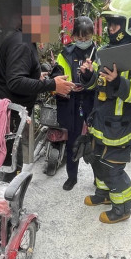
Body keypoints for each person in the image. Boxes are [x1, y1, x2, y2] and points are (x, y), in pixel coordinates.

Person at [77, 0, 131, 224]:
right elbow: (97, 85)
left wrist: (119, 82)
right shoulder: (107, 51)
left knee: (113, 170)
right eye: (109, 23)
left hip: (120, 129)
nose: (111, 28)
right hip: (101, 123)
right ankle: (103, 195)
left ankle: (123, 207)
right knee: (97, 161)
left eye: (116, 23)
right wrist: (89, 75)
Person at [0, 0, 74, 179]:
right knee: (10, 166)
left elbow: (17, 75)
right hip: (9, 116)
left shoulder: (24, 40)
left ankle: (8, 200)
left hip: (11, 114)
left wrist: (39, 77)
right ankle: (7, 203)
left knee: (10, 162)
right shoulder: (22, 44)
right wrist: (52, 85)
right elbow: (15, 82)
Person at [50, 16, 96, 191]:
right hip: (72, 103)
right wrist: (67, 85)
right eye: (79, 38)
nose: (83, 41)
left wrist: (88, 78)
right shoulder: (65, 53)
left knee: (96, 141)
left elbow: (100, 79)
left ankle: (98, 178)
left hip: (92, 103)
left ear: (92, 35)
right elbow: (58, 75)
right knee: (73, 142)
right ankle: (72, 177)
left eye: (86, 38)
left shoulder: (98, 53)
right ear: (73, 36)